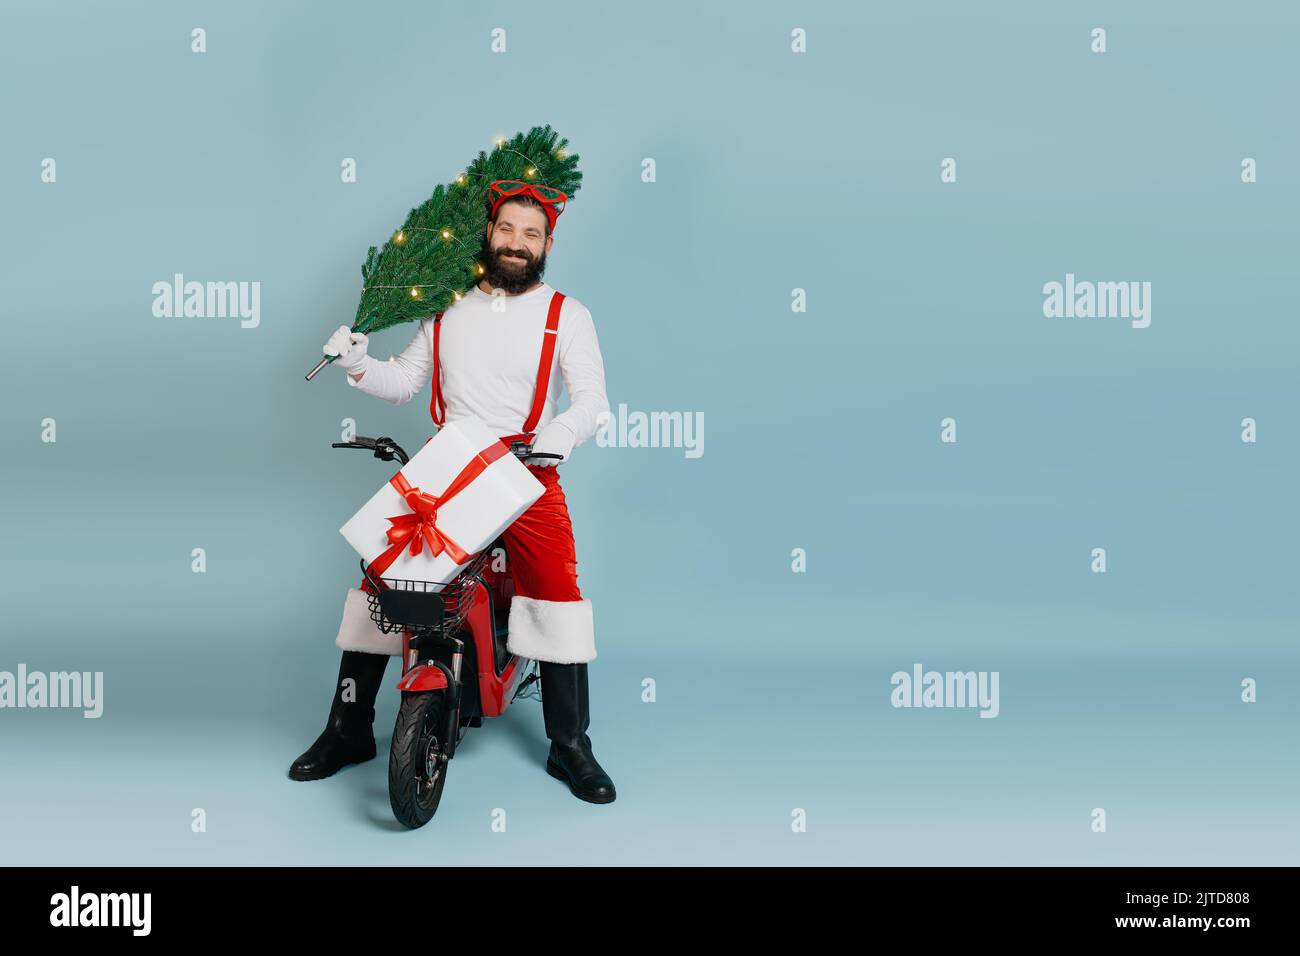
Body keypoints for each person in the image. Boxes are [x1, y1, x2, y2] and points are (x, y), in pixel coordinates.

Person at [287, 180, 616, 804]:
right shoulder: (446, 306)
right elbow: (404, 381)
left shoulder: (567, 315)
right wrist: (359, 362)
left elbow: (594, 402)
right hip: (451, 463)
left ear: (547, 244)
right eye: (507, 230)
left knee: (557, 593)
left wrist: (563, 430)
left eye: (532, 234)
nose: (517, 244)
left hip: (528, 467)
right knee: (386, 581)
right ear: (488, 234)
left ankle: (570, 746)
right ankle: (348, 727)